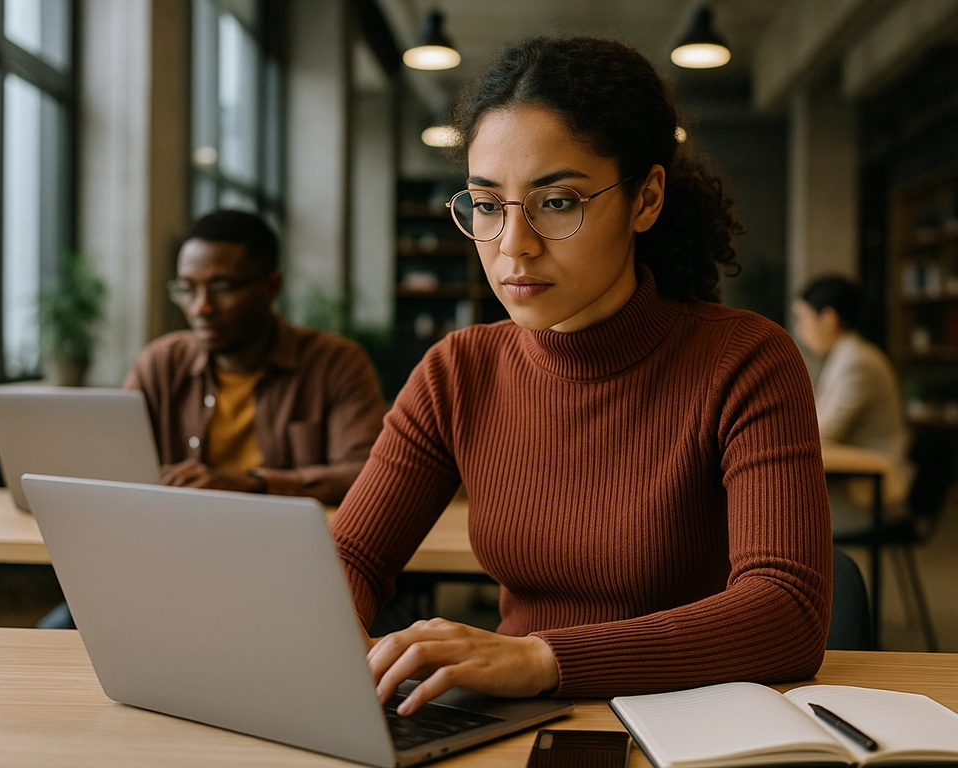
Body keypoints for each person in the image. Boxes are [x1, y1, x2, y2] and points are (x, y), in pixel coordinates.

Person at [331, 36, 832, 716]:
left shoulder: (745, 360)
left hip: (690, 728)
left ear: (646, 199)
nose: (513, 246)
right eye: (486, 204)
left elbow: (787, 613)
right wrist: (335, 644)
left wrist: (544, 658)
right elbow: (351, 556)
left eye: (557, 201)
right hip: (506, 721)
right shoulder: (458, 370)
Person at [125, 209, 385, 506]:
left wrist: (249, 483)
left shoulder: (335, 364)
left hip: (285, 542)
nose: (200, 308)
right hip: (177, 536)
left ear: (271, 286)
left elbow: (367, 474)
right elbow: (112, 463)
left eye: (221, 287)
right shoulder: (160, 365)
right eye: (187, 289)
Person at [793, 275, 914, 532]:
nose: (800, 329)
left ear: (829, 318)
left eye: (803, 317)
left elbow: (821, 430)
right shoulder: (847, 356)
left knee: (781, 514)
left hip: (870, 494)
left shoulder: (856, 362)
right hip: (859, 480)